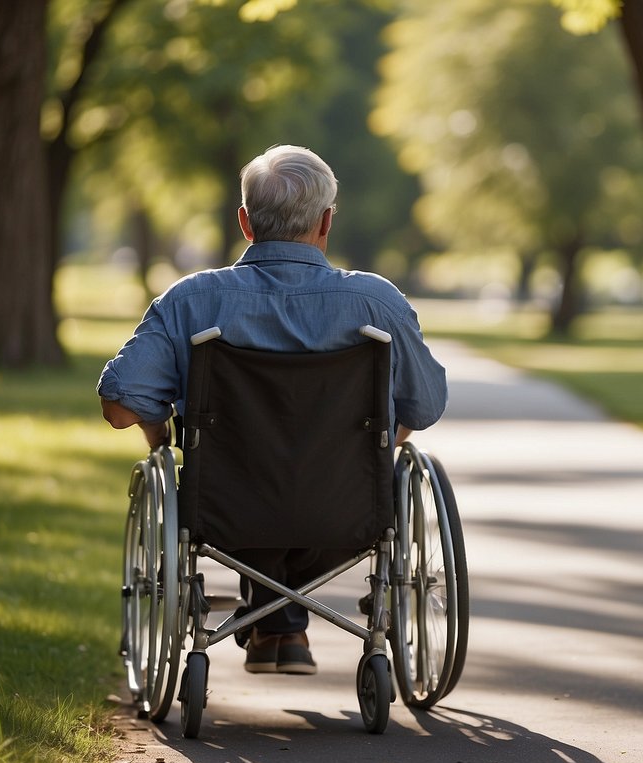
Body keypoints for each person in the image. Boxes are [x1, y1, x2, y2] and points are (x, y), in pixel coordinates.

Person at [97, 145, 447, 675]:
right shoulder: (377, 304)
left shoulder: (192, 301)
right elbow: (424, 405)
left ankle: (273, 623)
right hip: (348, 504)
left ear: (245, 221)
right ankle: (279, 625)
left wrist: (158, 431)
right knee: (329, 487)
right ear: (326, 222)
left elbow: (120, 405)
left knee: (255, 491)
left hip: (225, 505)